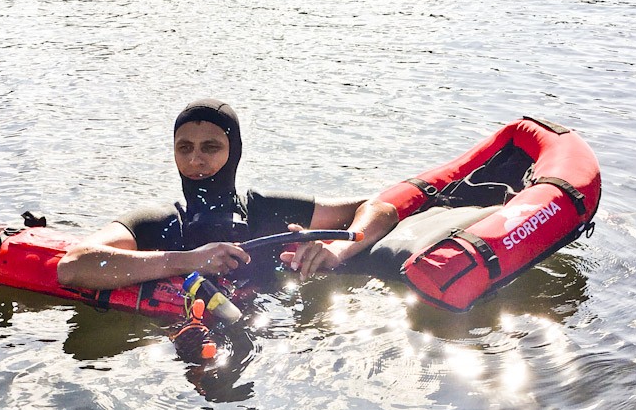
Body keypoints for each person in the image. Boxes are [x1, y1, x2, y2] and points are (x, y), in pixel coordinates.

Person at [56, 99, 399, 291]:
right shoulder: (160, 223)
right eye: (184, 148)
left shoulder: (266, 211)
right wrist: (189, 259)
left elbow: (380, 209)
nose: (195, 160)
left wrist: (335, 252)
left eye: (211, 147)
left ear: (234, 151)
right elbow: (72, 266)